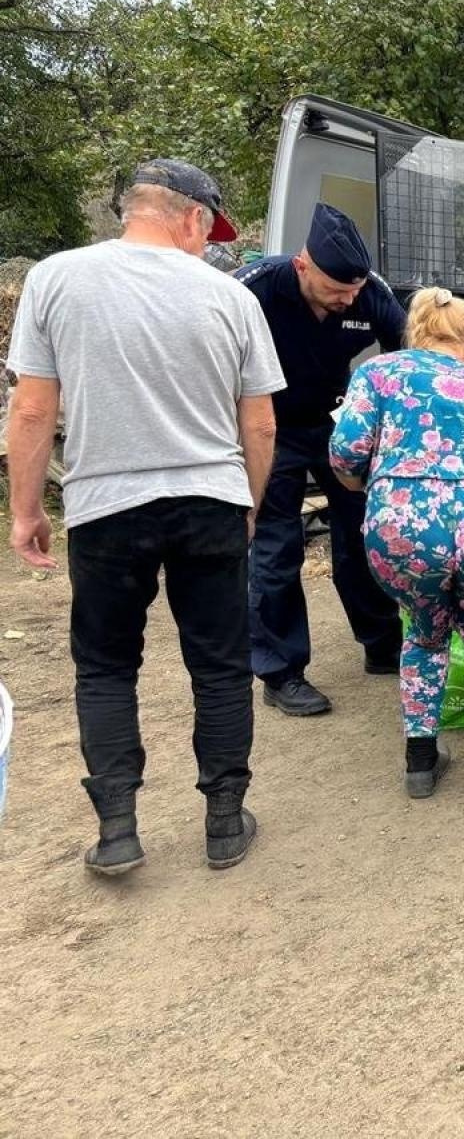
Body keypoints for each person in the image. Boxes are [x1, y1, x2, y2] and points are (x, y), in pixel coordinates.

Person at [6, 158, 283, 873]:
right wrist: (248, 503)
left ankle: (118, 830)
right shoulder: (229, 297)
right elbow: (260, 426)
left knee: (104, 667)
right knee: (219, 664)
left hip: (105, 502)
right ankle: (225, 819)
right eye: (208, 229)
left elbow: (33, 407)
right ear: (191, 217)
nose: (208, 242)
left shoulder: (55, 279)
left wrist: (27, 509)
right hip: (210, 500)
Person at [329, 288, 464, 798]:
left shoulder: (378, 374)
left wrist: (376, 484)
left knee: (425, 634)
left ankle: (421, 763)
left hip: (406, 529)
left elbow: (344, 453)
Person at [235, 204, 406, 717]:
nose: (348, 299)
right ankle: (281, 671)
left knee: (362, 534)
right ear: (304, 266)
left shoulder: (368, 291)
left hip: (336, 422)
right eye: (337, 290)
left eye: (353, 290)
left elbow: (407, 353)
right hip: (270, 427)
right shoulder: (252, 289)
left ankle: (382, 642)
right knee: (275, 546)